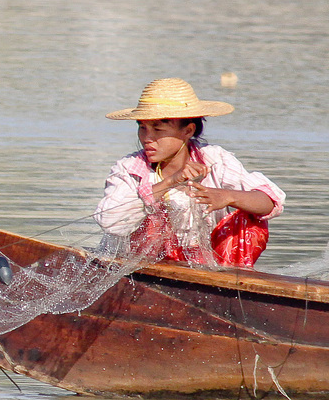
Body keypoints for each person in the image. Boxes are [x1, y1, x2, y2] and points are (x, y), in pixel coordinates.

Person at [93, 78, 286, 267]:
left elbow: (271, 201)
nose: (147, 138)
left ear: (188, 131)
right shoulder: (130, 168)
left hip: (210, 266)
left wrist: (227, 197)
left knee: (249, 215)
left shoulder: (215, 159)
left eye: (157, 129)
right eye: (142, 128)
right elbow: (110, 222)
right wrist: (170, 182)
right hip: (146, 267)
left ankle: (231, 280)